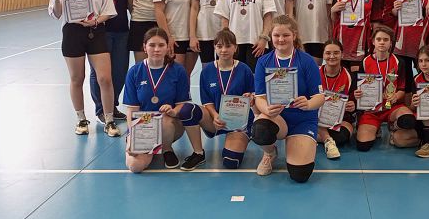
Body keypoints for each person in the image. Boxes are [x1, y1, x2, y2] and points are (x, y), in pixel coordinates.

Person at [48, 0, 120, 137]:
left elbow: (109, 11)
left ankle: (109, 120)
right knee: (77, 78)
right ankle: (81, 119)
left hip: (95, 30)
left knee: (105, 78)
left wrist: (95, 21)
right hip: (72, 32)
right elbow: (56, 14)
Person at [123, 28, 211, 172]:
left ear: (167, 47)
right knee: (135, 166)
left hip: (170, 124)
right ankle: (149, 146)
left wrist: (173, 111)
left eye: (161, 45)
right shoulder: (134, 72)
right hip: (142, 126)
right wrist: (133, 135)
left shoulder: (178, 70)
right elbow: (132, 109)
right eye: (152, 45)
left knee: (164, 120)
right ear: (144, 47)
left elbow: (182, 104)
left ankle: (167, 149)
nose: (156, 49)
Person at [252, 15, 325, 182]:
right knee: (260, 129)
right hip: (277, 117)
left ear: (294, 35)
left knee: (300, 175)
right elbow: (259, 98)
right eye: (276, 35)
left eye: (286, 35)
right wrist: (266, 109)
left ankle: (297, 142)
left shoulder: (307, 61)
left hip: (302, 119)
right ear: (271, 36)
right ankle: (270, 153)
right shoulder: (263, 62)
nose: (281, 39)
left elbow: (320, 97)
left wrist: (308, 103)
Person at [353, 25, 419, 151]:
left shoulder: (399, 62)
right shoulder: (365, 62)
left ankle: (393, 126)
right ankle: (376, 128)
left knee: (408, 119)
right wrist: (358, 94)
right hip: (372, 110)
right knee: (363, 146)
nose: (382, 42)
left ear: (391, 43)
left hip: (392, 107)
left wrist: (396, 96)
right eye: (379, 39)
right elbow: (359, 88)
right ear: (373, 42)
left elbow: (402, 89)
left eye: (386, 39)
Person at [199, 29, 256, 170]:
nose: (223, 50)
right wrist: (215, 116)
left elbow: (253, 97)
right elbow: (206, 101)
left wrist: (250, 98)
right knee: (192, 111)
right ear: (214, 47)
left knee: (231, 162)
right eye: (219, 46)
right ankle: (197, 153)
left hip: (239, 122)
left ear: (235, 48)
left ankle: (240, 138)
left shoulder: (244, 69)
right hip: (216, 120)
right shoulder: (207, 71)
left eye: (228, 46)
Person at [88, 0, 129, 122]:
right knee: (100, 73)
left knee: (119, 71)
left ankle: (112, 106)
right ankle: (101, 110)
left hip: (121, 30)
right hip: (99, 31)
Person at [331, 0, 374, 72]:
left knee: (357, 77)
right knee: (343, 76)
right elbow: (334, 20)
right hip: (342, 41)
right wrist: (333, 10)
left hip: (361, 42)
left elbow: (375, 21)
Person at [317, 39, 356, 159]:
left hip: (341, 119)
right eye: (328, 53)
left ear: (342, 54)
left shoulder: (350, 76)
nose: (332, 56)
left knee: (342, 137)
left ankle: (315, 135)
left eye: (336, 53)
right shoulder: (315, 73)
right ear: (323, 55)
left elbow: (354, 100)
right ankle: (328, 140)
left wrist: (353, 105)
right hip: (317, 118)